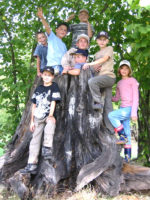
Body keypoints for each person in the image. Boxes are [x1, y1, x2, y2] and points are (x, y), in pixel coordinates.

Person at [21, 67, 61, 174]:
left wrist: (51, 115)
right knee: (34, 140)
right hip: (38, 117)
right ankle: (32, 164)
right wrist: (32, 121)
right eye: (45, 75)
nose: (47, 77)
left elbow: (53, 102)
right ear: (42, 75)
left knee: (51, 123)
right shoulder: (38, 89)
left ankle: (47, 147)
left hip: (48, 115)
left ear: (52, 77)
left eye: (49, 75)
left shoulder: (54, 86)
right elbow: (33, 105)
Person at [83, 31, 116, 132]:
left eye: (104, 39)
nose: (102, 41)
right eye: (100, 39)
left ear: (107, 41)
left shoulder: (109, 48)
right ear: (97, 41)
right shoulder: (96, 54)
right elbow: (95, 68)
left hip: (108, 77)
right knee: (108, 105)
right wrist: (93, 67)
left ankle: (97, 102)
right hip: (100, 79)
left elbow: (105, 59)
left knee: (92, 82)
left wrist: (90, 63)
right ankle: (109, 129)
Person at [108, 60, 139, 162]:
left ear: (129, 70)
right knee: (128, 133)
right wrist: (108, 97)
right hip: (122, 108)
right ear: (119, 70)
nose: (124, 70)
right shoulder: (119, 83)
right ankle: (127, 157)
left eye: (126, 68)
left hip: (129, 109)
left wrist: (134, 113)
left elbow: (136, 98)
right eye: (122, 68)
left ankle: (122, 135)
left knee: (111, 115)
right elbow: (117, 98)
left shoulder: (132, 81)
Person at [37, 8, 68, 75]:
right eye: (61, 29)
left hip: (62, 68)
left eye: (65, 30)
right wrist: (42, 18)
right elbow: (47, 28)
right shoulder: (52, 37)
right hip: (53, 66)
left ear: (66, 33)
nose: (63, 31)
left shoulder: (64, 45)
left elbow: (66, 57)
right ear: (56, 30)